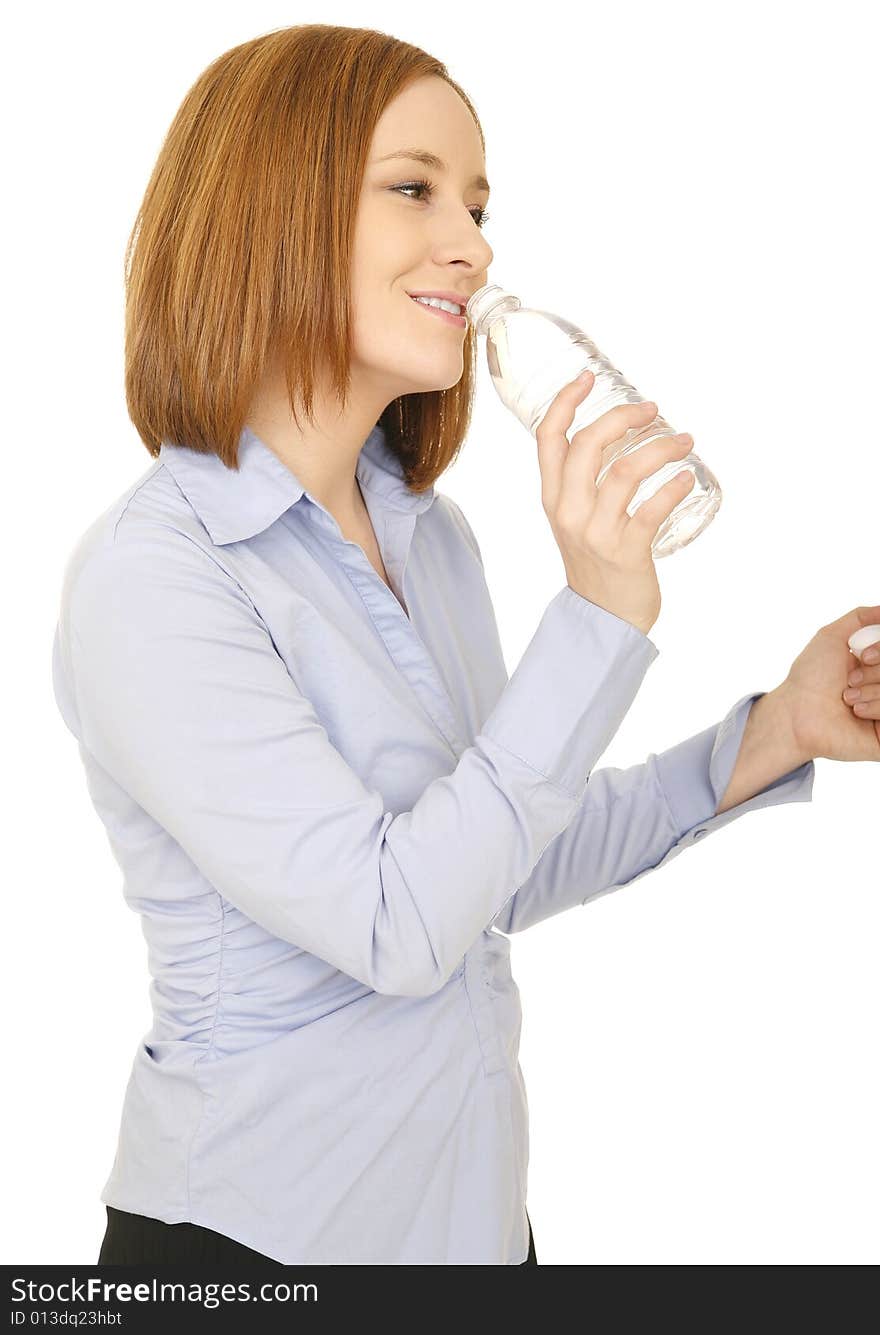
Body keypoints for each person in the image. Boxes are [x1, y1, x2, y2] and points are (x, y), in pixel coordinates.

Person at [52, 23, 823, 1267]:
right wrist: (598, 617)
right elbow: (395, 926)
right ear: (271, 210)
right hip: (256, 1252)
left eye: (474, 201)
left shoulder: (428, 536)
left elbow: (490, 872)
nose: (473, 244)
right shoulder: (155, 577)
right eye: (414, 189)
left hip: (473, 1236)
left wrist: (781, 728)